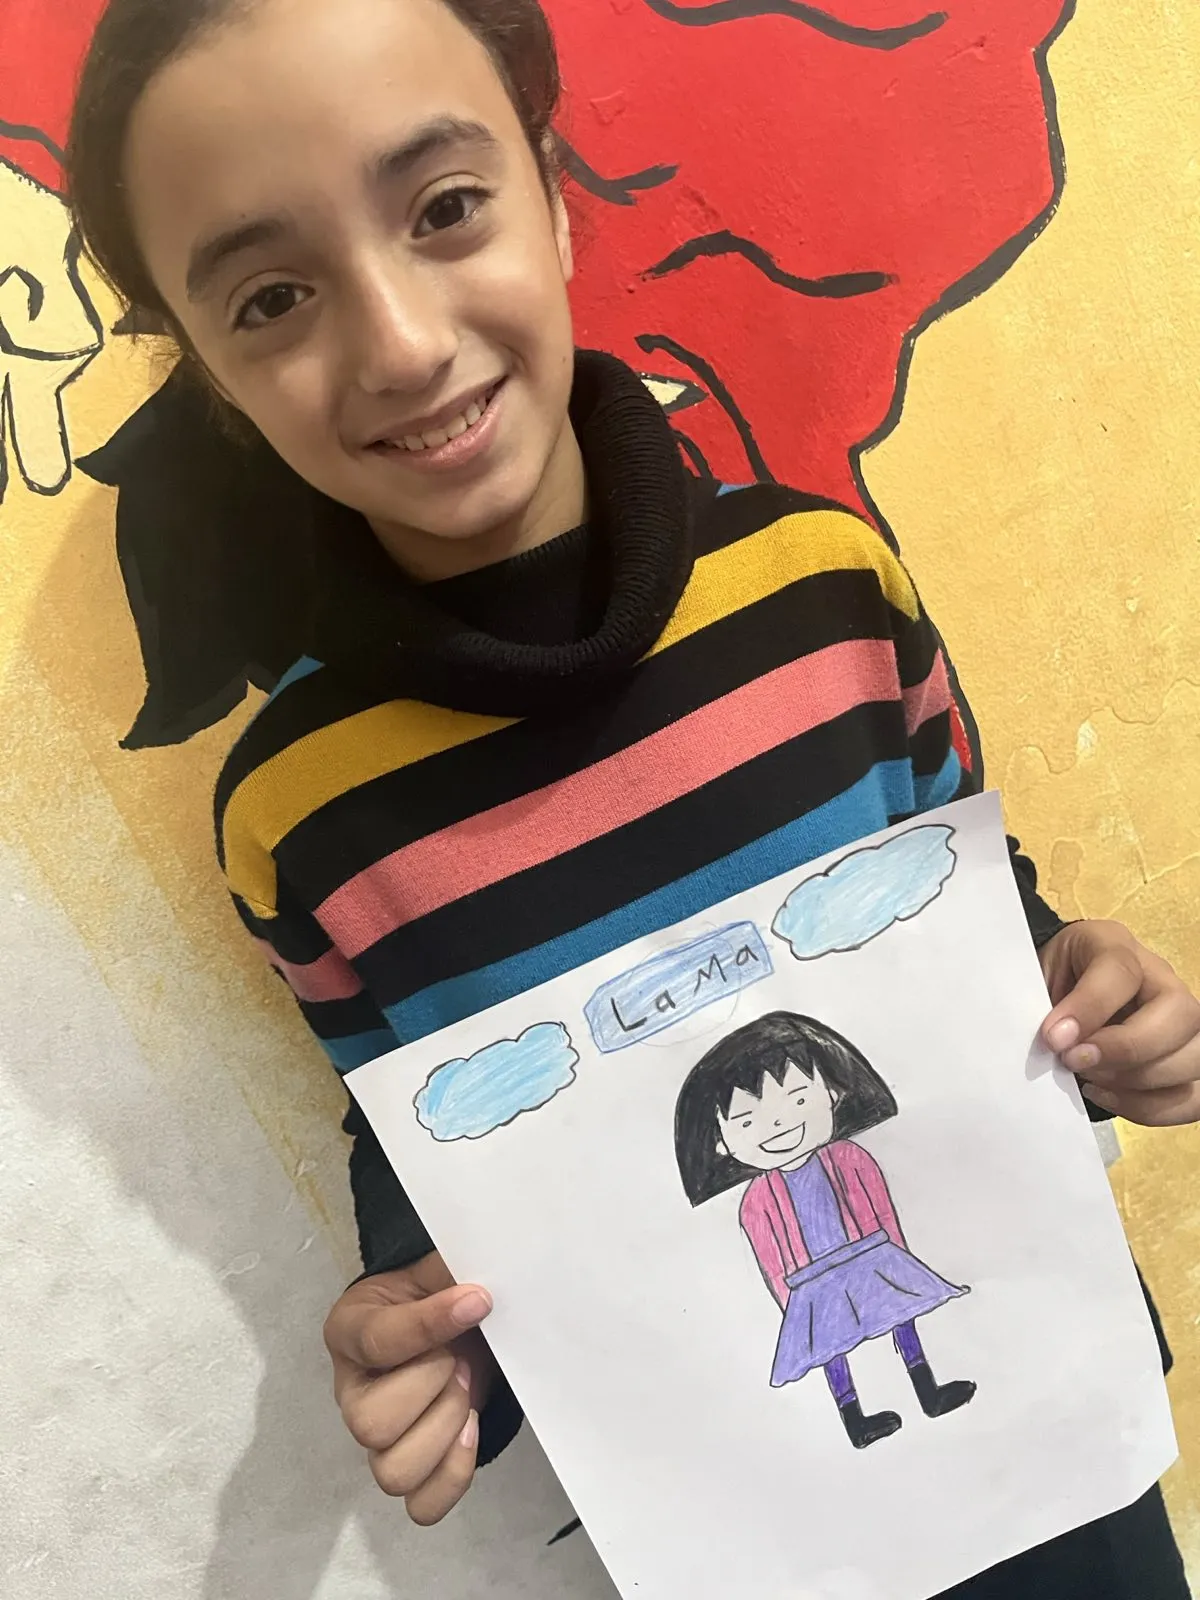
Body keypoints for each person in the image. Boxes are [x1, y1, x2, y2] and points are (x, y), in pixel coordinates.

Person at [66, 0, 1198, 1592]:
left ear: (552, 192)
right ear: (209, 371)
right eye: (271, 297)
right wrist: (421, 1337)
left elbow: (974, 910)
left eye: (444, 207)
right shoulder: (299, 814)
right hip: (732, 1522)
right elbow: (417, 1136)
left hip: (1045, 1442)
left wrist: (1103, 1008)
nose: (399, 341)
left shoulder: (827, 588)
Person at [674, 1011, 977, 1450]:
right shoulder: (757, 1201)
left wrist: (900, 1263)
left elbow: (882, 1213)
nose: (778, 1125)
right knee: (828, 1348)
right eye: (748, 1122)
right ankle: (855, 1420)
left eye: (798, 1101)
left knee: (900, 1315)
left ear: (832, 1094)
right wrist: (793, 1307)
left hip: (869, 1257)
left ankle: (928, 1391)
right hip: (811, 1283)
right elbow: (771, 1262)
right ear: (721, 1142)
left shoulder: (851, 1158)